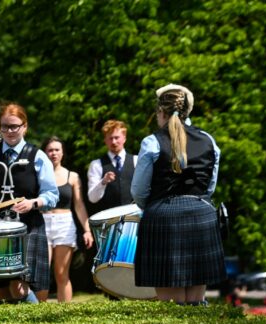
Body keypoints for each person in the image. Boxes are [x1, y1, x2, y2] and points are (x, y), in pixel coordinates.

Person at [131, 83, 224, 304]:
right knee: (196, 304)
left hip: (163, 217)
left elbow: (138, 191)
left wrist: (154, 207)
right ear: (188, 111)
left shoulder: (152, 142)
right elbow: (210, 186)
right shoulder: (209, 140)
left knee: (172, 307)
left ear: (160, 111)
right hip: (203, 215)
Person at [0, 103, 59, 303]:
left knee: (18, 286)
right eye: (5, 126)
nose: (10, 131)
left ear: (24, 126)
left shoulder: (38, 157)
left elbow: (52, 195)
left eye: (15, 126)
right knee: (0, 287)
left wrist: (33, 203)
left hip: (28, 227)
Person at [38, 136, 94, 302]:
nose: (53, 153)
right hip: (43, 222)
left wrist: (87, 230)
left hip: (65, 224)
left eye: (57, 150)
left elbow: (79, 205)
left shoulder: (73, 176)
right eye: (50, 150)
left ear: (62, 153)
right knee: (41, 272)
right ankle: (37, 314)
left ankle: (65, 314)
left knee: (62, 274)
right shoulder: (37, 174)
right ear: (44, 152)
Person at [86, 119, 138, 215]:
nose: (113, 142)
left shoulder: (137, 161)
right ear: (105, 140)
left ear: (124, 138)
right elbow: (92, 198)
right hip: (108, 220)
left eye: (117, 137)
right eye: (110, 138)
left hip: (134, 219)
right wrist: (103, 182)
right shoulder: (96, 165)